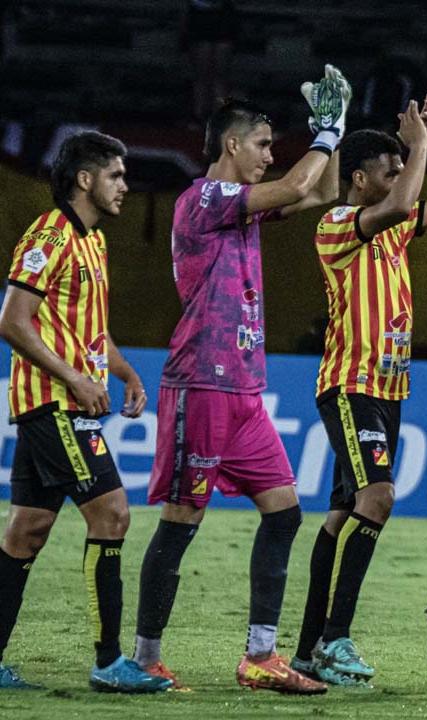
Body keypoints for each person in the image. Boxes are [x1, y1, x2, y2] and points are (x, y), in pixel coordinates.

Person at [130, 66, 351, 694]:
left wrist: (328, 135)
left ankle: (260, 657)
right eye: (262, 144)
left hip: (245, 392)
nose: (269, 156)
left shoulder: (243, 212)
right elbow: (294, 184)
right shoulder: (202, 198)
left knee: (283, 515)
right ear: (232, 144)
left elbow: (317, 193)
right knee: (181, 520)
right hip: (200, 383)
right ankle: (144, 659)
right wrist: (326, 135)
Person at [291, 95, 427, 686]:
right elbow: (403, 202)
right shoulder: (337, 225)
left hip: (387, 388)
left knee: (343, 512)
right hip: (351, 385)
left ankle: (306, 649)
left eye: (403, 167)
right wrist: (417, 143)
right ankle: (336, 639)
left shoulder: (393, 231)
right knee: (379, 498)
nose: (402, 177)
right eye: (390, 167)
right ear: (359, 179)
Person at [0, 132, 170, 693]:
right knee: (112, 514)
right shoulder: (49, 235)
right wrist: (72, 377)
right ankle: (109, 661)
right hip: (54, 405)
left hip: (63, 403)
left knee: (26, 532)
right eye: (117, 175)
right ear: (84, 179)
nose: (126, 185)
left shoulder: (92, 242)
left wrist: (123, 372)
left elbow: (87, 334)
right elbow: (12, 320)